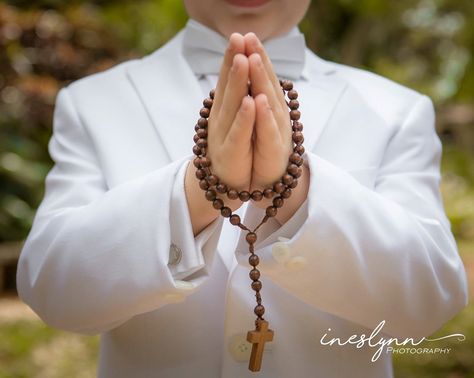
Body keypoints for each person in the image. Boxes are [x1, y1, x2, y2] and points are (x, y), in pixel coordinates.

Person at [17, 0, 468, 377]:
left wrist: (294, 188)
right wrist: (202, 189)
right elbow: (54, 290)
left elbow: (427, 300)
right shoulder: (95, 101)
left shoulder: (397, 110)